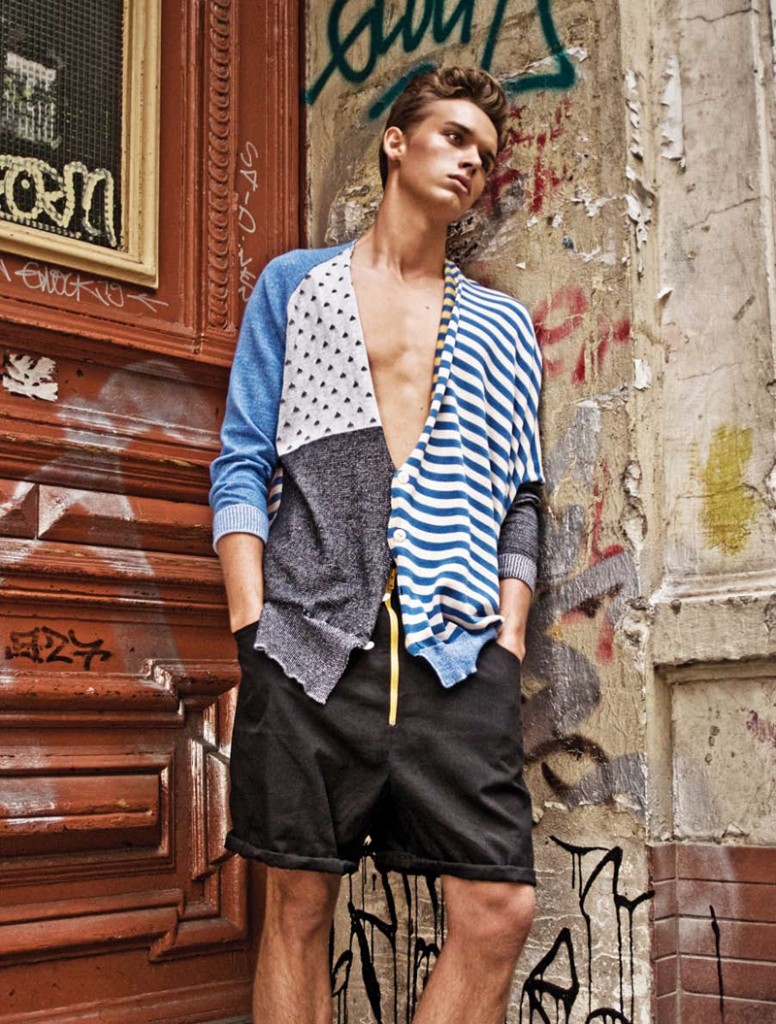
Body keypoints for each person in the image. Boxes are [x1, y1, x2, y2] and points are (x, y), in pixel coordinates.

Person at [209, 66, 544, 1024]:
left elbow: (523, 498)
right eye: (454, 136)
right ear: (397, 142)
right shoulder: (296, 287)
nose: (471, 161)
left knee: (498, 909)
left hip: (455, 654)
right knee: (298, 907)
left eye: (484, 152)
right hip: (309, 648)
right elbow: (242, 464)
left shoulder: (504, 326)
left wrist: (508, 639)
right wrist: (253, 629)